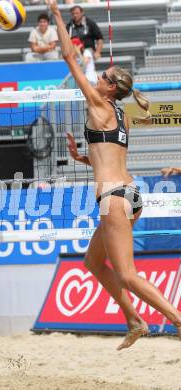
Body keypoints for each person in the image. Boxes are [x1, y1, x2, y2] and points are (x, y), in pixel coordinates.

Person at [50, 0, 181, 349]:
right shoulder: (119, 113)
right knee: (93, 261)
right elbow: (110, 156)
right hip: (130, 194)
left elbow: (68, 56)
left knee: (126, 273)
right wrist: (82, 158)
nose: (98, 77)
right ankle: (135, 320)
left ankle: (177, 319)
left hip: (114, 199)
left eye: (104, 77)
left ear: (110, 89)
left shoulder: (97, 102)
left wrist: (58, 15)